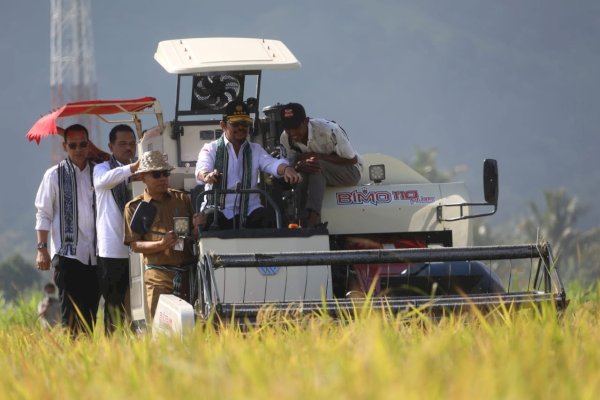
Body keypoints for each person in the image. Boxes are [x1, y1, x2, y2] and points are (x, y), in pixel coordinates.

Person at [35, 123, 101, 335]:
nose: (79, 149)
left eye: (83, 144)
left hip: (95, 254)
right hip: (66, 254)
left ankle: (86, 358)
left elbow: (118, 159)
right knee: (70, 316)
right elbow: (43, 214)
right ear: (65, 147)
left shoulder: (98, 172)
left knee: (90, 315)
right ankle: (71, 358)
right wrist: (42, 249)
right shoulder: (53, 175)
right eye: (73, 145)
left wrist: (99, 154)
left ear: (89, 145)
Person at [195, 100, 302, 229]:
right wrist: (207, 176)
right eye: (235, 124)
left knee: (271, 218)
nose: (241, 128)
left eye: (245, 124)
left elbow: (272, 164)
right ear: (223, 125)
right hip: (219, 209)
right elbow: (201, 170)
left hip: (250, 210)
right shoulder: (211, 149)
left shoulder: (255, 150)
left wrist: (286, 169)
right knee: (210, 220)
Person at [123, 150, 201, 319]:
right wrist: (161, 244)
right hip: (158, 278)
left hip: (188, 276)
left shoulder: (183, 199)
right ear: (143, 177)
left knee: (191, 331)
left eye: (165, 173)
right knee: (161, 333)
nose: (163, 178)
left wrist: (198, 227)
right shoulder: (134, 207)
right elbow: (135, 245)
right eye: (156, 174)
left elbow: (194, 235)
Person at [279, 102, 363, 227]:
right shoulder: (286, 138)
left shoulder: (329, 130)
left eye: (296, 126)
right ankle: (301, 221)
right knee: (301, 174)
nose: (292, 132)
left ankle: (313, 221)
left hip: (350, 171)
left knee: (317, 165)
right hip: (316, 174)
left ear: (306, 121)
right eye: (288, 128)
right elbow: (288, 166)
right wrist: (299, 165)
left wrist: (319, 156)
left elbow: (352, 160)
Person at [93, 124, 139, 334]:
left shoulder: (139, 171)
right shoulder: (101, 169)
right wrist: (133, 169)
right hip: (112, 250)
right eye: (123, 144)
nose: (128, 148)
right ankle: (112, 350)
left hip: (139, 247)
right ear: (111, 146)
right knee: (114, 304)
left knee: (137, 303)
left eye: (132, 144)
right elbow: (105, 181)